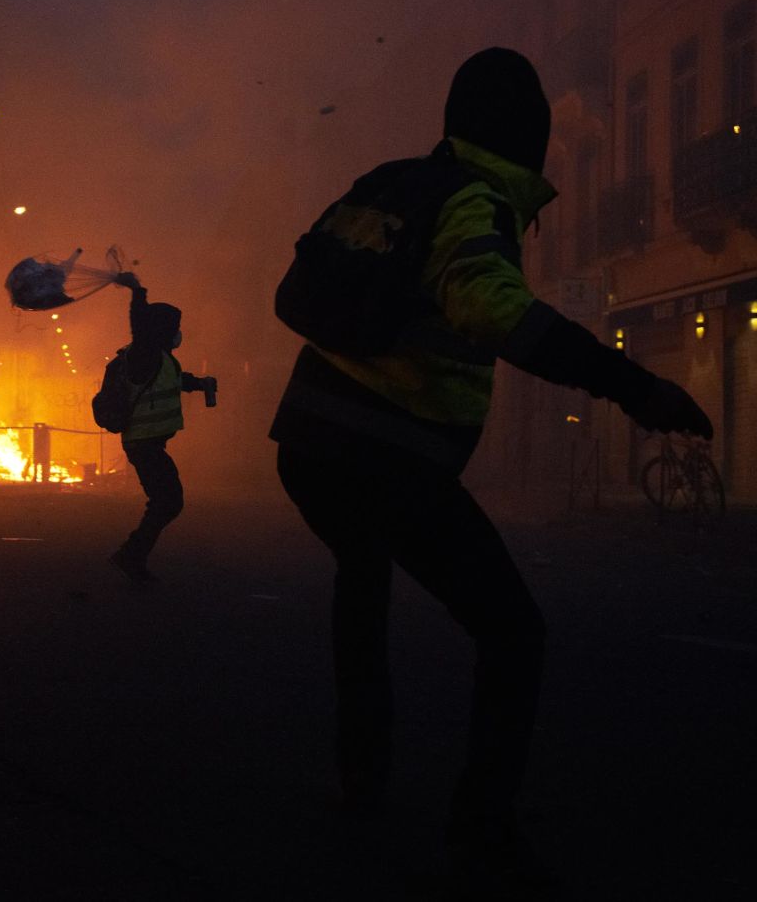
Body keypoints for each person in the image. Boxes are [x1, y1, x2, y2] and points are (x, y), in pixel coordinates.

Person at [270, 47, 713, 890]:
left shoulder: (393, 180)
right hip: (388, 453)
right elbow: (492, 307)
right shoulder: (475, 202)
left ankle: (361, 773)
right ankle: (480, 826)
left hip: (310, 444)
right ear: (526, 137)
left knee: (360, 582)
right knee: (513, 630)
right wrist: (632, 384)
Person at [108, 271, 216, 583]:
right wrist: (137, 292)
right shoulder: (144, 354)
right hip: (143, 443)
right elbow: (140, 327)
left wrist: (198, 383)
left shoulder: (161, 361)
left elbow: (172, 381)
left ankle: (132, 555)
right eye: (174, 328)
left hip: (149, 443)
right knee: (168, 501)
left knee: (166, 501)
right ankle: (130, 556)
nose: (178, 334)